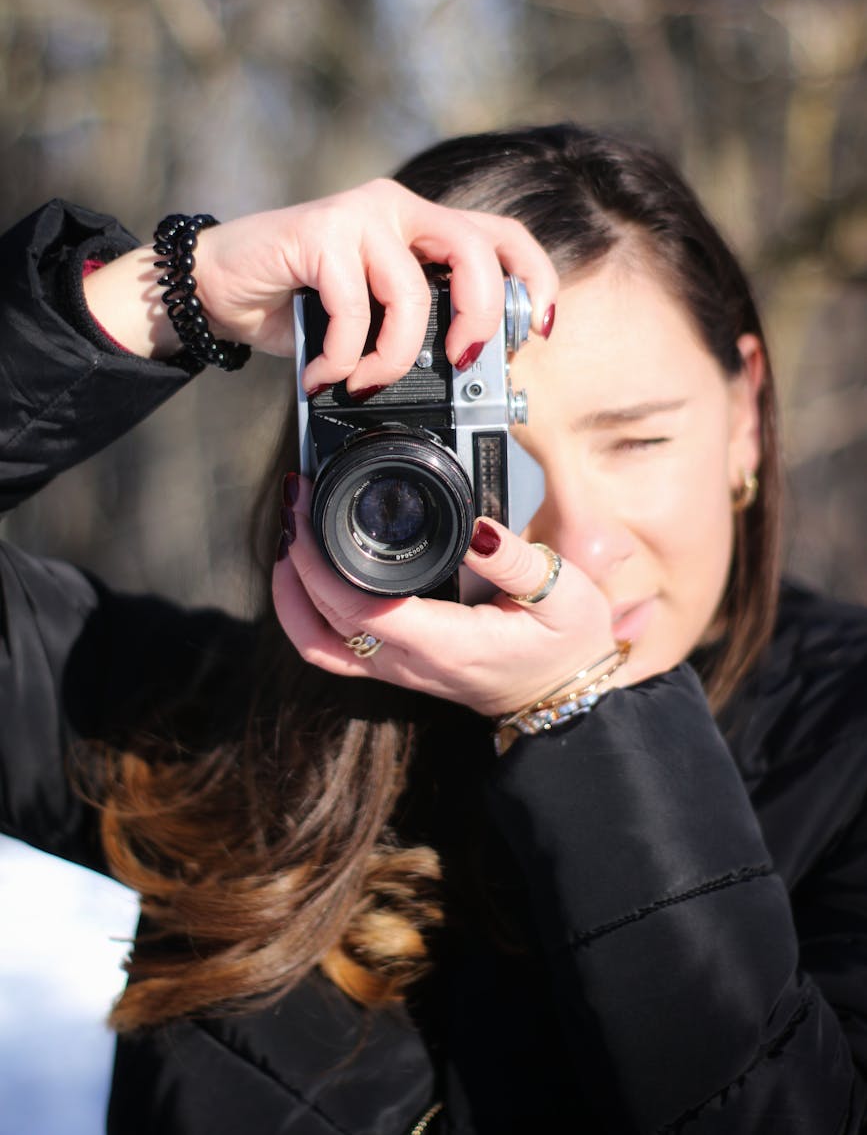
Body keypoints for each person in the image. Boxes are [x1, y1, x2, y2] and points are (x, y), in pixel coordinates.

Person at [1, 124, 866, 1135]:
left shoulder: (844, 747)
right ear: (355, 456)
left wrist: (578, 716)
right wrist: (163, 295)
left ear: (746, 413)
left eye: (637, 439)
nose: (576, 542)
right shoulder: (223, 734)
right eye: (490, 462)